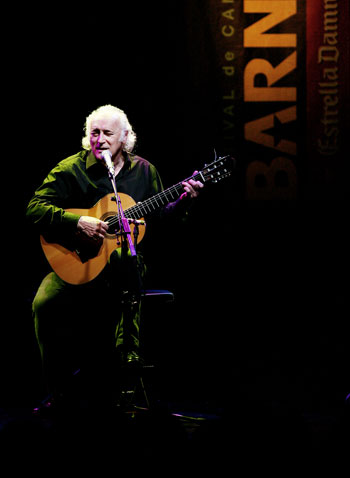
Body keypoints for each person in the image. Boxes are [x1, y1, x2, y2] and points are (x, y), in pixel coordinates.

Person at [26, 104, 203, 412]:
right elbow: (34, 209)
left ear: (124, 138)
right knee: (44, 303)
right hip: (76, 264)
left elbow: (161, 218)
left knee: (124, 258)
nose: (100, 139)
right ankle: (60, 391)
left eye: (107, 133)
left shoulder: (145, 172)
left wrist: (183, 202)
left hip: (122, 271)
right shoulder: (70, 169)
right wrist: (76, 222)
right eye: (94, 133)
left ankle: (126, 390)